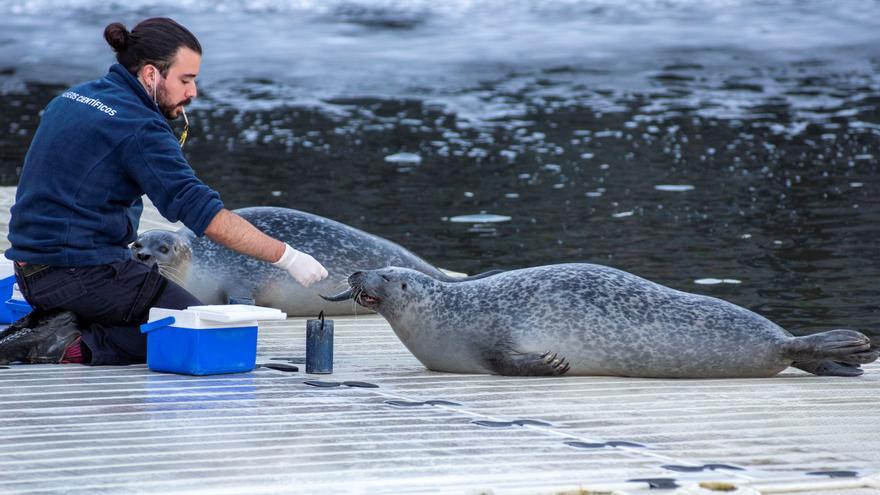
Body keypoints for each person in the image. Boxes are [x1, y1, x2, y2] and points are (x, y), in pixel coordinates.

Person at [0, 18, 328, 366]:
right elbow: (205, 215)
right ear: (151, 75)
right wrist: (287, 257)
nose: (193, 92)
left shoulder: (75, 96)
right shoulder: (140, 127)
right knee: (198, 331)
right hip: (79, 274)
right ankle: (65, 343)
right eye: (185, 80)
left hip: (30, 272)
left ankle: (55, 322)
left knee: (151, 303)